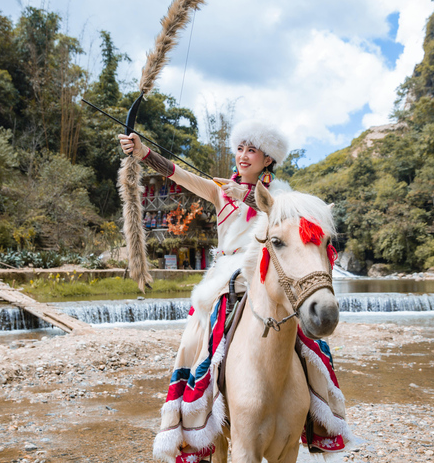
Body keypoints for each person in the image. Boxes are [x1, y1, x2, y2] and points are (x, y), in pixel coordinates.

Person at [120, 121, 349, 462]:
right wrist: (143, 152)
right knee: (194, 339)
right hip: (228, 277)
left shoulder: (284, 198)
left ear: (267, 159)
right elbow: (179, 175)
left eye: (252, 150)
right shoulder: (220, 189)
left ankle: (323, 415)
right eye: (240, 148)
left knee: (311, 341)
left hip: (268, 273)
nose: (243, 156)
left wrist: (255, 201)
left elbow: (294, 233)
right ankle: (191, 420)